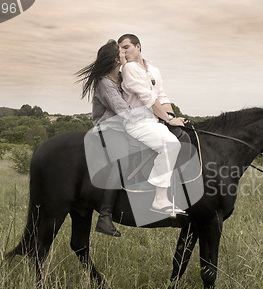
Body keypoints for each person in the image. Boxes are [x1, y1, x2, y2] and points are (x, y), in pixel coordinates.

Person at [118, 33, 186, 215]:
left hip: (154, 120)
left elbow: (161, 94)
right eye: (120, 49)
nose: (123, 52)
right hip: (137, 122)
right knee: (171, 145)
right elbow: (148, 97)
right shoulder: (129, 68)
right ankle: (160, 199)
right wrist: (169, 120)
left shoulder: (153, 69)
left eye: (126, 47)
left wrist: (171, 115)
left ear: (138, 46)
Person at [76, 39, 127, 237]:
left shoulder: (121, 79)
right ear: (115, 60)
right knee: (120, 159)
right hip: (108, 129)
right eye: (121, 52)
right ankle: (105, 216)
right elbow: (123, 110)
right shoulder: (105, 84)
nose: (124, 54)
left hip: (123, 129)